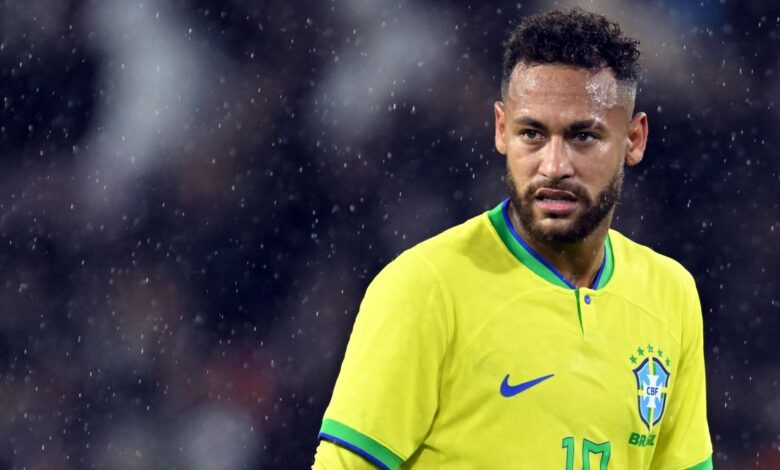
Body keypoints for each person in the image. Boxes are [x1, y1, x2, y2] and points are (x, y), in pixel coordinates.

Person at [312, 9, 712, 470]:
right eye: (532, 134)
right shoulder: (425, 288)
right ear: (502, 130)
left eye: (583, 136)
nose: (553, 164)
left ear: (634, 139)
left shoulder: (670, 294)